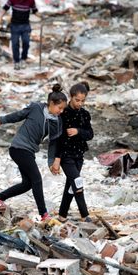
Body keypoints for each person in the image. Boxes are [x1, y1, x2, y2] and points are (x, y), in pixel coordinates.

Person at [0, 84, 67, 221]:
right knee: (37, 179)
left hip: (29, 151)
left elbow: (53, 143)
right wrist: (1, 120)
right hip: (18, 148)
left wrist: (51, 162)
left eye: (63, 109)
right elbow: (18, 115)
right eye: (59, 108)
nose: (61, 111)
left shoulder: (57, 122)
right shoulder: (36, 108)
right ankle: (44, 214)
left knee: (27, 183)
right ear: (51, 103)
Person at [52, 82, 94, 223]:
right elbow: (58, 138)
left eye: (83, 101)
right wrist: (57, 159)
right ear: (71, 97)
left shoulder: (85, 114)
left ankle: (62, 215)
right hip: (65, 155)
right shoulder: (63, 114)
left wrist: (78, 131)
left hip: (79, 155)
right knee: (77, 182)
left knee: (71, 185)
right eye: (77, 100)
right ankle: (85, 215)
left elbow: (90, 134)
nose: (80, 103)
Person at [0, 0, 39, 70]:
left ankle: (23, 59)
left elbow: (35, 11)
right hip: (15, 25)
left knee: (26, 42)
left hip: (25, 25)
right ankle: (16, 62)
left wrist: (42, 17)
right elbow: (5, 7)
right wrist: (0, 17)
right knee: (15, 44)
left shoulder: (31, 0)